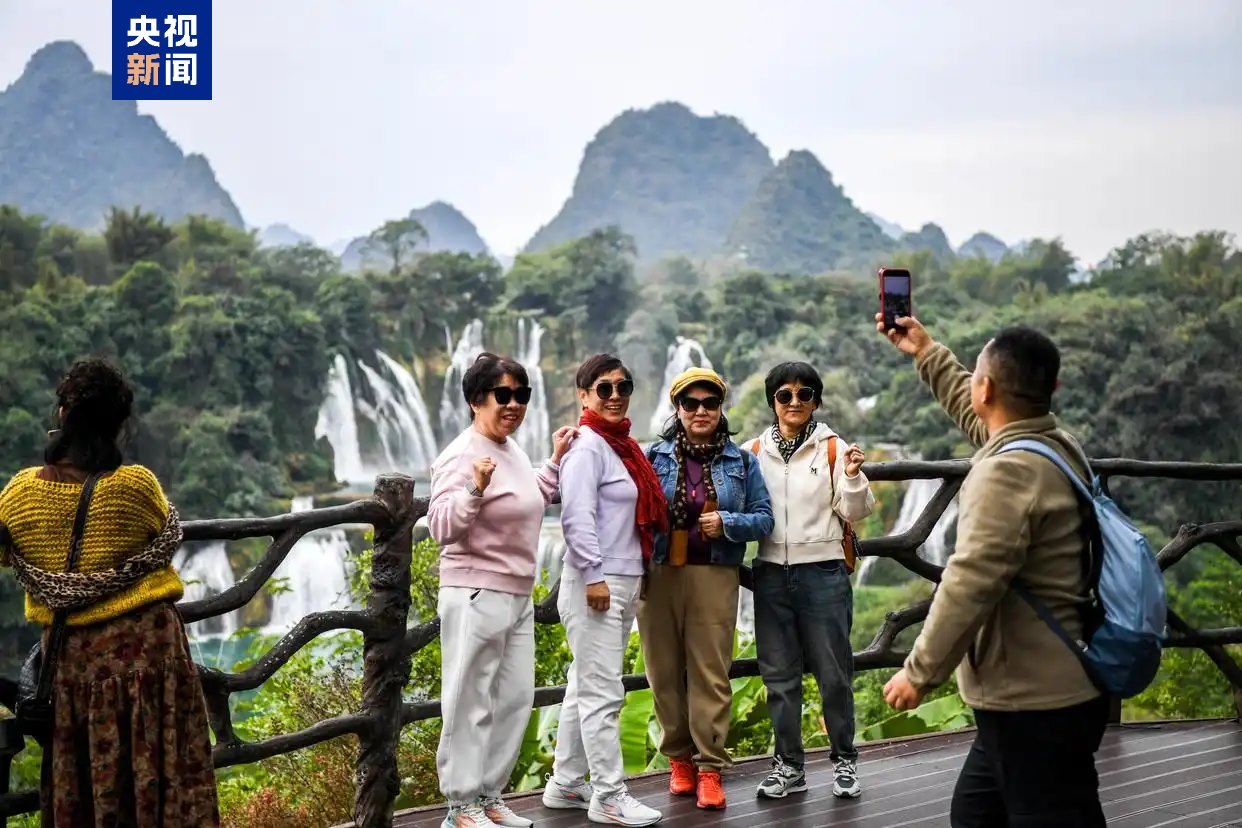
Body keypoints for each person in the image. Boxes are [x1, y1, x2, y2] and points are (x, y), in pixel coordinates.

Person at [876, 314, 1108, 827]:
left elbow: (970, 582)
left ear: (986, 389)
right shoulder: (1055, 445)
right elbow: (982, 420)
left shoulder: (1007, 472)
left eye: (977, 379)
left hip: (1033, 698)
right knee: (976, 813)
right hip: (1048, 683)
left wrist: (919, 672)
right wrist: (926, 353)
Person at [0, 359, 220, 827]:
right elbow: (163, 530)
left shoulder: (19, 495)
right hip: (151, 658)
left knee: (85, 778)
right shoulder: (137, 486)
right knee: (164, 770)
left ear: (63, 415)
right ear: (120, 423)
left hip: (75, 665)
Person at [427, 352, 577, 828]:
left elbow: (530, 497)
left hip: (516, 594)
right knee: (469, 700)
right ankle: (461, 804)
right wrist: (474, 487)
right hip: (475, 591)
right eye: (503, 395)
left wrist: (555, 460)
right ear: (476, 400)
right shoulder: (460, 455)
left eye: (522, 395)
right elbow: (440, 527)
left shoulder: (510, 449)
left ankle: (490, 794)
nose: (514, 404)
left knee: (513, 698)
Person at [639, 367, 774, 811]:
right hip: (660, 573)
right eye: (691, 403)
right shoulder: (652, 457)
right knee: (662, 670)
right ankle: (679, 760)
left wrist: (728, 523)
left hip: (715, 574)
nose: (701, 411)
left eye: (710, 403)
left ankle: (710, 767)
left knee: (711, 672)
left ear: (720, 409)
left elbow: (764, 518)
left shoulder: (743, 462)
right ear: (677, 408)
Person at [543, 354, 667, 827]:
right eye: (604, 388)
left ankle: (566, 783)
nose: (615, 396)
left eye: (623, 386)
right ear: (584, 395)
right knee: (602, 692)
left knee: (584, 685)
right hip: (596, 582)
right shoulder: (587, 448)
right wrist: (593, 576)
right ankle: (609, 796)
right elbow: (575, 517)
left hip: (623, 577)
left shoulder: (623, 447)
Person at [744, 362, 876, 802]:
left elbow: (856, 511)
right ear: (773, 402)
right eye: (785, 395)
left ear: (816, 401)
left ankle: (844, 761)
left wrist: (852, 476)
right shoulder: (753, 452)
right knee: (779, 676)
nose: (795, 402)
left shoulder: (834, 449)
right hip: (770, 574)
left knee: (834, 673)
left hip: (823, 572)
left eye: (805, 394)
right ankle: (789, 767)